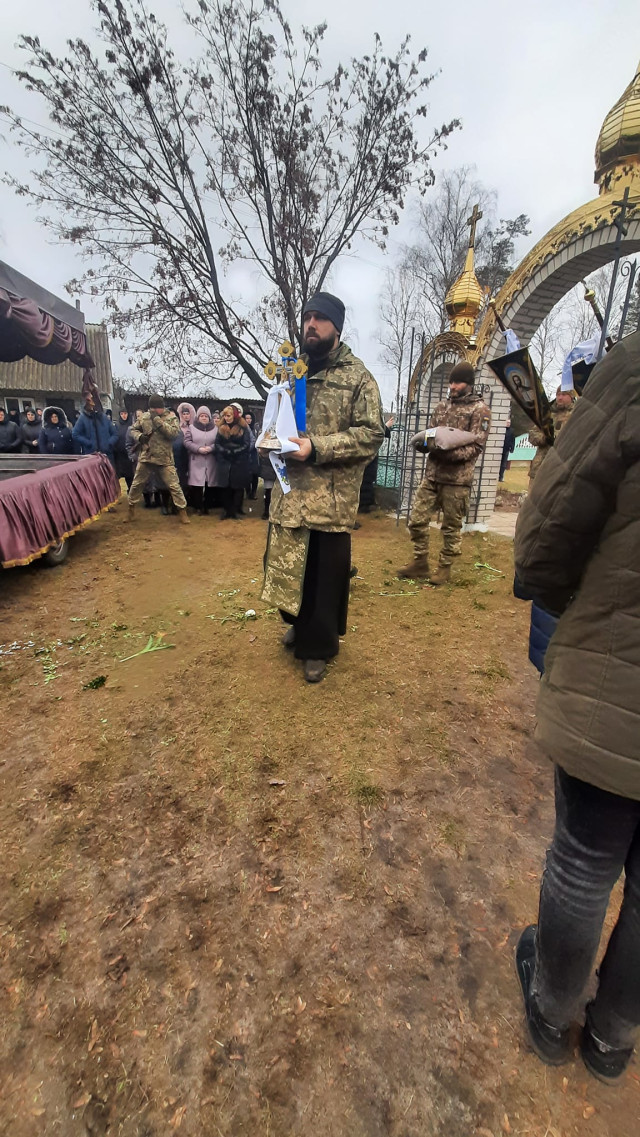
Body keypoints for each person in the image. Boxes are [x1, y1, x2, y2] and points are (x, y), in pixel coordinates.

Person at [513, 330, 640, 1083]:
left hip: (624, 665)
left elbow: (558, 511)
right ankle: (613, 1038)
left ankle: (552, 1012)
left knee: (587, 860)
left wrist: (564, 604)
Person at [262, 291, 384, 683]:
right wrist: (269, 440)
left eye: (320, 318)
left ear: (337, 327)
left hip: (329, 500)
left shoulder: (358, 378)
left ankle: (319, 647)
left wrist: (317, 447)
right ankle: (297, 625)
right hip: (290, 495)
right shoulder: (292, 371)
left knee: (322, 576)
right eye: (307, 317)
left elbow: (371, 434)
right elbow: (278, 417)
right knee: (286, 568)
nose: (311, 325)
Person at [397, 361, 491, 586]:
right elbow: (431, 435)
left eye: (457, 382)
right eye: (451, 382)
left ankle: (444, 568)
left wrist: (448, 454)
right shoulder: (441, 407)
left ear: (468, 384)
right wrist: (424, 445)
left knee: (451, 527)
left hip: (457, 481)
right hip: (432, 476)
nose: (453, 386)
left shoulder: (480, 410)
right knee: (417, 519)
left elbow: (476, 446)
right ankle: (420, 562)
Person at [125, 395, 190, 524]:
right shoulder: (144, 417)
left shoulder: (171, 418)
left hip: (165, 458)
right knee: (137, 484)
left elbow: (173, 434)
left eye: (158, 408)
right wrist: (139, 437)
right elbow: (132, 429)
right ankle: (131, 509)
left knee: (174, 486)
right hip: (147, 457)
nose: (155, 411)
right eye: (153, 408)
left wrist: (158, 421)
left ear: (162, 407)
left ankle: (182, 511)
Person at [528, 385, 575, 483]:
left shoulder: (576, 414)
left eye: (564, 394)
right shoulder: (547, 414)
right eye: (558, 394)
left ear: (571, 397)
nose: (560, 397)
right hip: (540, 469)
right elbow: (532, 435)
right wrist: (545, 438)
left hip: (564, 471)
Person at [184, 405, 217, 515]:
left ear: (209, 418)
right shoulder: (191, 428)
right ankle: (198, 507)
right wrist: (198, 449)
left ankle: (207, 506)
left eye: (206, 416)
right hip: (196, 460)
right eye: (201, 416)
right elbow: (187, 442)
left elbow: (218, 442)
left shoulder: (216, 429)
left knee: (209, 485)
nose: (204, 418)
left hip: (211, 461)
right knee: (197, 485)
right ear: (198, 417)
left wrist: (211, 448)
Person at [359, 415, 394, 513]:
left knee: (366, 479)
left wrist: (385, 427)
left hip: (365, 454)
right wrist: (386, 427)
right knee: (366, 480)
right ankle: (363, 506)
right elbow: (376, 431)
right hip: (367, 454)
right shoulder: (367, 418)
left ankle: (364, 505)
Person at [73, 395, 119, 462]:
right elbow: (75, 434)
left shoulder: (104, 417)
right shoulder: (83, 418)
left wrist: (108, 443)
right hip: (91, 456)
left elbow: (115, 434)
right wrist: (89, 443)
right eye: (90, 401)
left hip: (107, 455)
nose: (93, 404)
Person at [113, 408, 135, 488]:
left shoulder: (132, 424)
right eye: (122, 414)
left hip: (131, 451)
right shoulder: (117, 425)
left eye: (125, 413)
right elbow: (115, 437)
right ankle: (129, 488)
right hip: (122, 453)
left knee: (133, 472)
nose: (124, 416)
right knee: (126, 474)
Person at [244, 411, 260, 500]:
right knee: (246, 474)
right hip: (245, 454)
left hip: (253, 453)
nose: (248, 420)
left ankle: (253, 493)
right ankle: (248, 492)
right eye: (247, 418)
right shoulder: (242, 429)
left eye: (250, 418)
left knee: (255, 474)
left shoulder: (255, 429)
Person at [499, 418, 515, 482]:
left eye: (509, 423)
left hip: (506, 449)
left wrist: (512, 448)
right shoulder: (502, 430)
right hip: (500, 449)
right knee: (499, 463)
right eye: (507, 422)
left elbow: (513, 440)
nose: (508, 424)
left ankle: (501, 477)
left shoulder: (511, 431)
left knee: (503, 464)